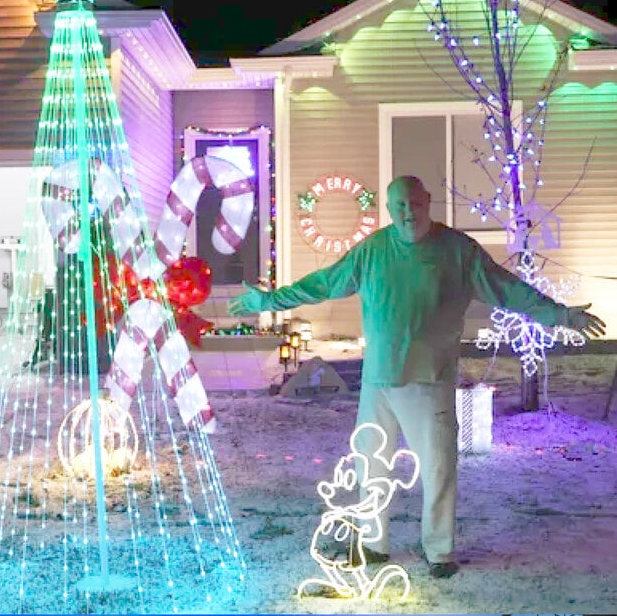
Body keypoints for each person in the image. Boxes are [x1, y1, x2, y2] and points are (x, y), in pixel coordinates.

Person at [228, 175, 606, 579]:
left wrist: (559, 315)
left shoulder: (458, 252)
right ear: (390, 211)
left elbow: (508, 289)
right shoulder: (372, 251)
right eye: (399, 206)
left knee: (438, 467)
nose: (409, 213)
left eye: (415, 203)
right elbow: (322, 284)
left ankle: (439, 549)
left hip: (429, 379)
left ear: (428, 202)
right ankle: (374, 543)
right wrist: (269, 300)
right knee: (370, 464)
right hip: (378, 381)